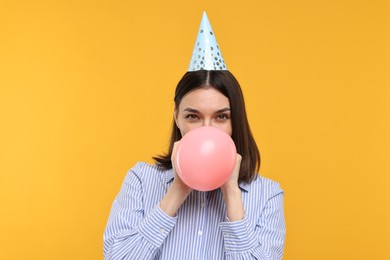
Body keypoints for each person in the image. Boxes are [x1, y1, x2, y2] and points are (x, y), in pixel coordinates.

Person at [103, 12, 285, 260]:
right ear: (177, 117)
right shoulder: (141, 181)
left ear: (236, 120)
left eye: (221, 117)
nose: (207, 130)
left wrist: (232, 194)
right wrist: (177, 190)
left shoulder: (267, 194)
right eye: (193, 117)